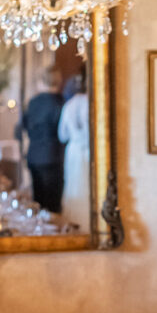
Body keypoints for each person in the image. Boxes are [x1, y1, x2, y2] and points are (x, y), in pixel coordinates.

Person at [17, 67, 65, 212]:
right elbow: (63, 132)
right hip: (53, 155)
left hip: (34, 154)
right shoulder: (61, 102)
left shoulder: (33, 102)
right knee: (53, 202)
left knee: (38, 199)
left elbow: (23, 126)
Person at [58, 69, 90, 232]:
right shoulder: (91, 103)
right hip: (89, 151)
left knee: (74, 186)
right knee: (88, 185)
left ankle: (75, 222)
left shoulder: (69, 106)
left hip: (74, 151)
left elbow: (62, 135)